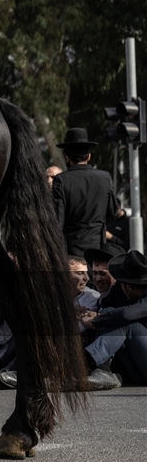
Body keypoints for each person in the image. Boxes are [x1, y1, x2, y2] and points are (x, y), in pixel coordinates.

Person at [79, 250, 147, 389]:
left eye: (121, 286)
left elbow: (125, 315)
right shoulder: (113, 296)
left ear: (128, 286)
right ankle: (108, 373)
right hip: (139, 372)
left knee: (125, 323)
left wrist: (95, 321)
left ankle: (84, 363)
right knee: (108, 313)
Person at [52, 128, 118, 257]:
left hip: (71, 250)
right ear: (89, 156)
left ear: (67, 157)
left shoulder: (61, 180)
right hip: (98, 247)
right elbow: (112, 211)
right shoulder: (105, 178)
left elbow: (57, 221)